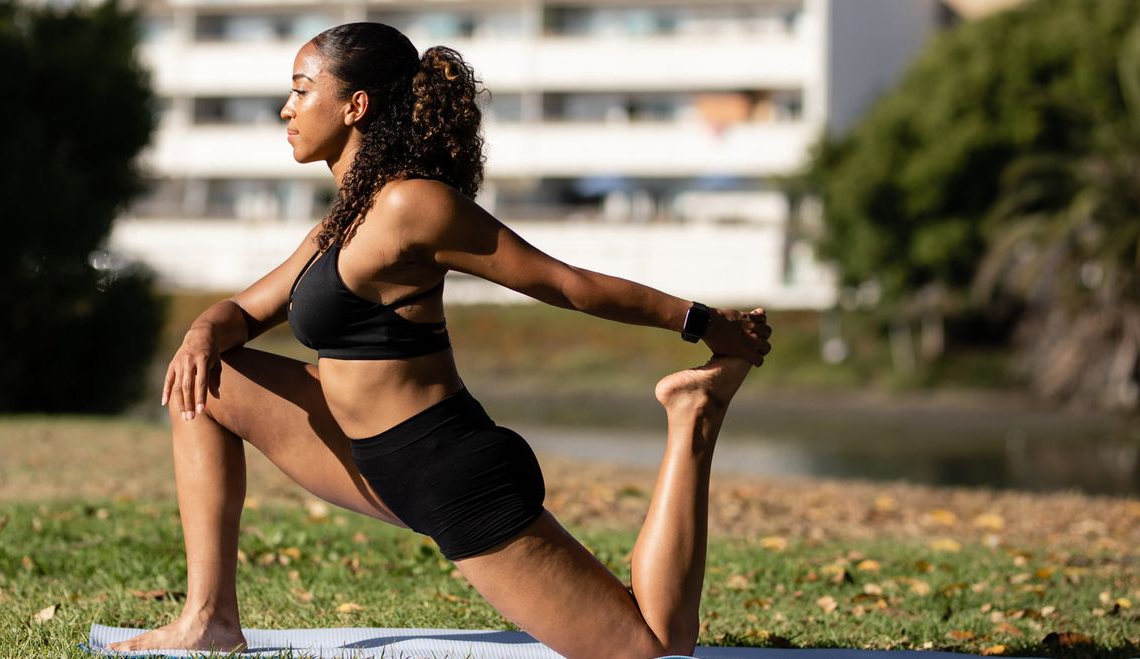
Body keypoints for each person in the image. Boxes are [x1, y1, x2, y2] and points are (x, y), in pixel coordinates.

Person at [107, 22, 772, 659]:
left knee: (653, 650)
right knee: (201, 382)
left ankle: (694, 413)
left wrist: (704, 323)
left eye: (302, 89)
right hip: (361, 453)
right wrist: (200, 333)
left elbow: (564, 284)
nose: (287, 108)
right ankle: (209, 618)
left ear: (354, 105)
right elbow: (243, 312)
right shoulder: (343, 219)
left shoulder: (410, 205)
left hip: (448, 474)